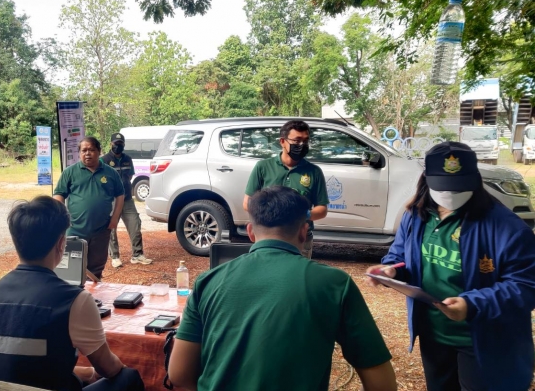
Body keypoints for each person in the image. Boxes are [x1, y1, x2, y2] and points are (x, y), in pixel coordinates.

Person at [169, 185, 397, 391]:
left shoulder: (208, 281)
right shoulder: (335, 284)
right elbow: (382, 383)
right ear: (304, 231)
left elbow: (178, 374)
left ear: (250, 232)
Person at [366, 142, 535, 391]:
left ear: (476, 180)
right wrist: (391, 270)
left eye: (459, 187)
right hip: (435, 334)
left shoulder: (506, 228)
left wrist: (472, 304)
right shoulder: (416, 215)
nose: (451, 195)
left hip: (484, 342)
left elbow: (525, 286)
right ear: (426, 179)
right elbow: (400, 254)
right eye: (443, 187)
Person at [0, 196, 145, 391]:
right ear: (62, 243)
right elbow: (109, 368)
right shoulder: (74, 301)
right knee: (129, 377)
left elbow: (17, 365)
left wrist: (87, 374)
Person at [244, 120, 328, 258]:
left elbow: (322, 210)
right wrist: (274, 215)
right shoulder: (263, 167)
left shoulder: (314, 171)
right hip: (268, 236)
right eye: (297, 140)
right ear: (282, 141)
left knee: (298, 278)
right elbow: (248, 203)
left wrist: (302, 215)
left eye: (305, 141)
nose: (301, 145)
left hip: (300, 238)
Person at [54, 137, 125, 279]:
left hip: (101, 229)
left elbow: (120, 195)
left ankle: (92, 296)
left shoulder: (110, 173)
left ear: (99, 151)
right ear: (79, 153)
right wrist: (61, 218)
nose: (87, 153)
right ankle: (74, 296)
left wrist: (115, 219)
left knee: (96, 266)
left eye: (91, 150)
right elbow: (58, 195)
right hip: (75, 229)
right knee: (72, 267)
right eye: (84, 150)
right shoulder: (70, 172)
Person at [101, 132, 152, 268]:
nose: (118, 146)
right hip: (111, 200)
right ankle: (115, 256)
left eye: (121, 144)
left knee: (135, 225)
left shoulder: (128, 159)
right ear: (111, 144)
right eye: (116, 143)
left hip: (127, 199)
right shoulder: (104, 160)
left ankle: (137, 255)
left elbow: (129, 176)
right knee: (111, 228)